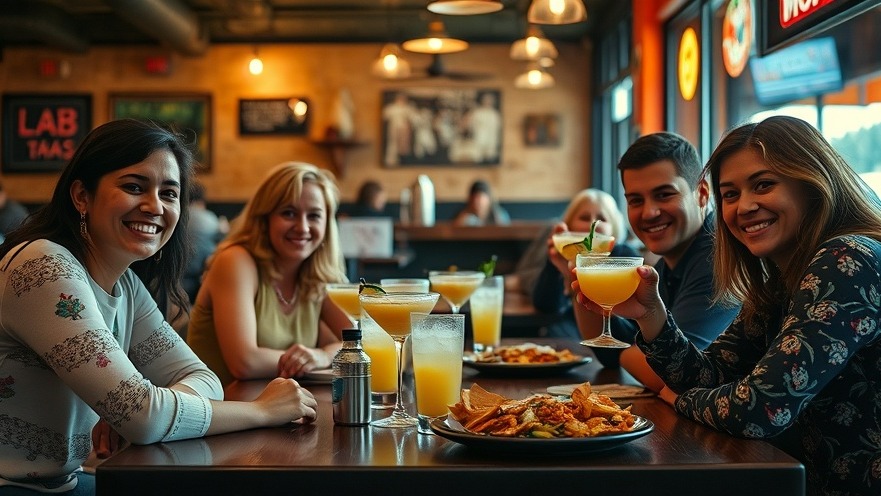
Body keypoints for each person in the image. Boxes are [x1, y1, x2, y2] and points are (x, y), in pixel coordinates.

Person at [0, 119, 317, 494]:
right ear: (82, 195)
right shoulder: (43, 266)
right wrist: (262, 411)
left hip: (62, 484)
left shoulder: (125, 284)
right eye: (134, 187)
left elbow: (201, 378)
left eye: (169, 193)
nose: (154, 206)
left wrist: (147, 411)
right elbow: (141, 415)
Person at [575, 116, 881, 495]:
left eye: (763, 185)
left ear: (813, 182)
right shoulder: (780, 279)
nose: (744, 206)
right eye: (731, 194)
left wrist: (679, 400)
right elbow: (708, 375)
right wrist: (650, 315)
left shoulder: (847, 258)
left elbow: (761, 409)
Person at [574, 132, 739, 393]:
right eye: (636, 200)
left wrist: (625, 351)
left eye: (664, 195)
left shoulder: (719, 258)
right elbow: (608, 350)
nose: (649, 212)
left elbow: (674, 376)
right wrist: (577, 279)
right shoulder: (669, 264)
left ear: (702, 193)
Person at [186, 162, 352, 387]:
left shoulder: (317, 277)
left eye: (314, 216)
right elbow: (245, 362)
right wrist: (310, 359)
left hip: (279, 405)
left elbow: (359, 340)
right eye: (289, 213)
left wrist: (322, 355)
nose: (303, 227)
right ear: (265, 218)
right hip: (219, 405)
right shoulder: (235, 261)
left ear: (327, 226)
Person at [520, 188, 640, 338]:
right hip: (570, 332)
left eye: (601, 218)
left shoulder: (625, 257)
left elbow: (631, 327)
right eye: (584, 217)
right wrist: (559, 266)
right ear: (569, 226)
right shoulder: (564, 254)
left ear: (614, 228)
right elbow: (545, 306)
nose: (592, 224)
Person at [183, 181, 225, 303]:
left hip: (176, 274)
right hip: (201, 275)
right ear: (201, 201)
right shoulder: (209, 218)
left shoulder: (178, 216)